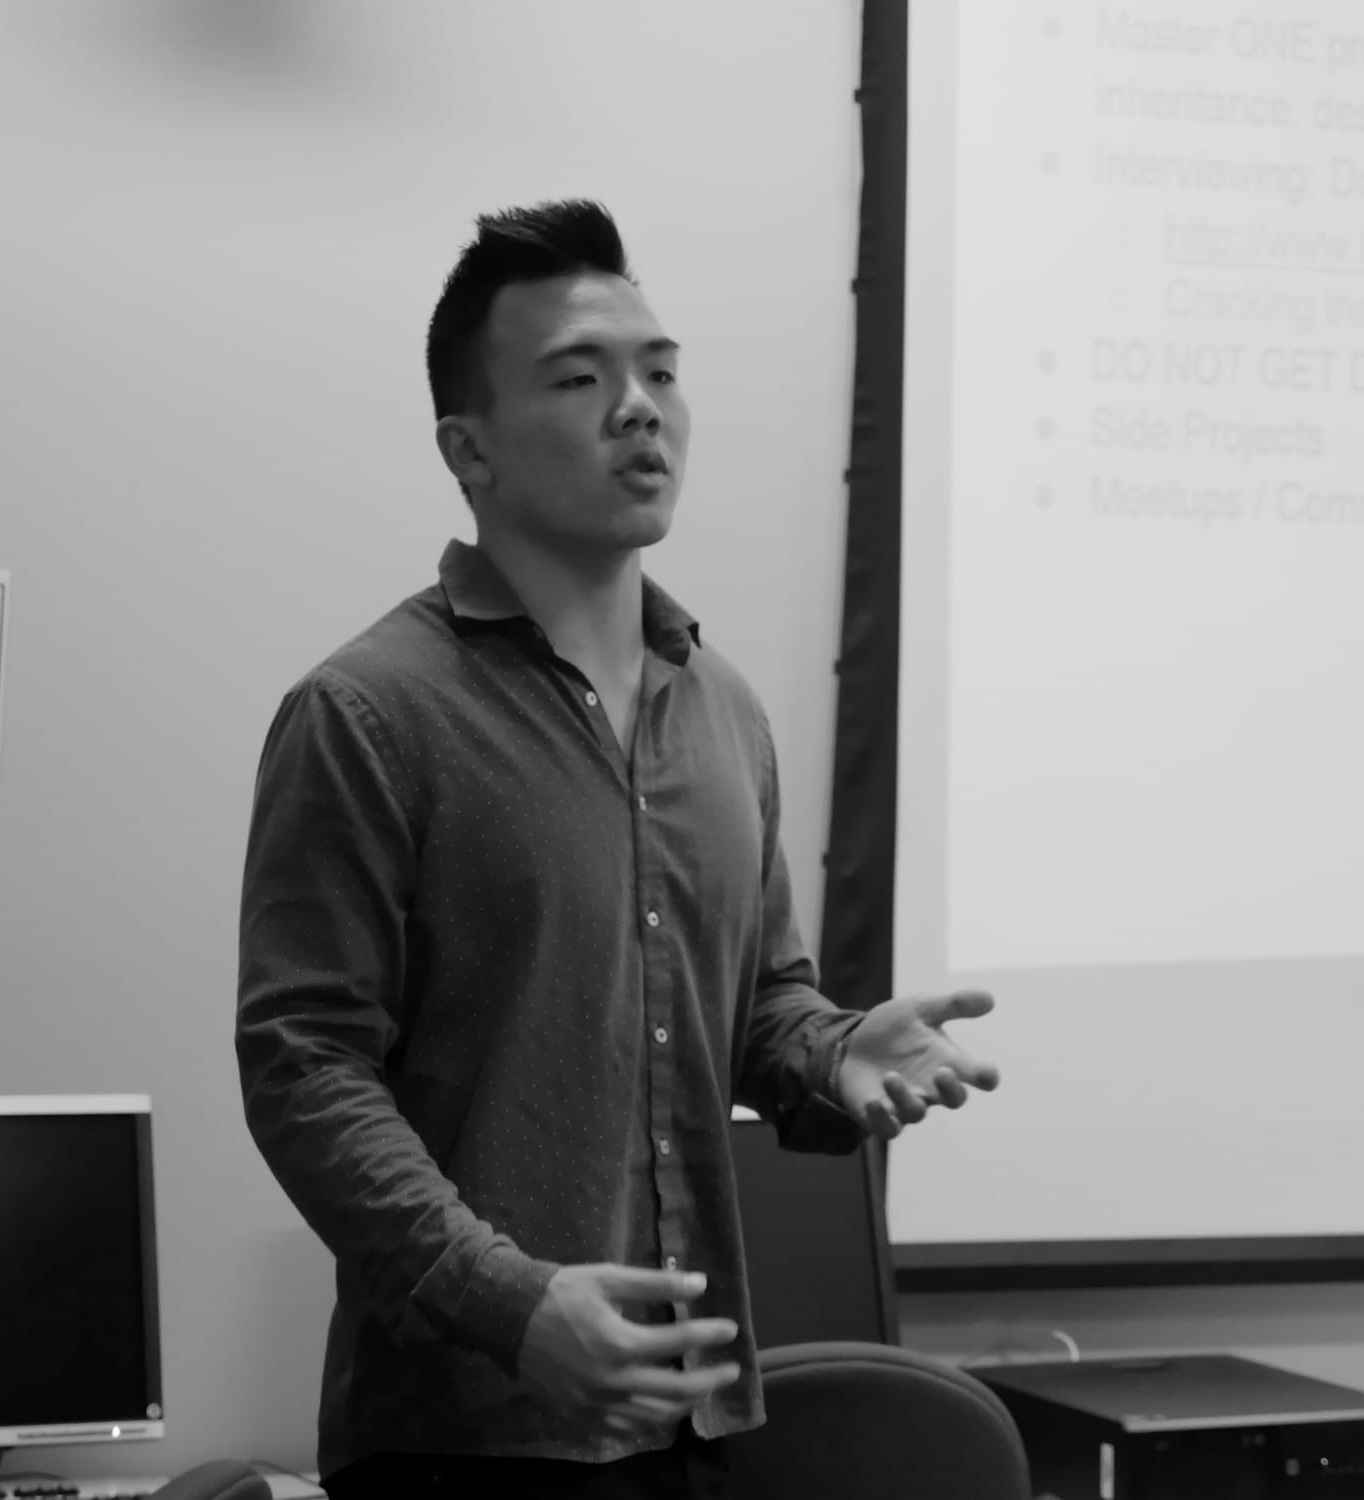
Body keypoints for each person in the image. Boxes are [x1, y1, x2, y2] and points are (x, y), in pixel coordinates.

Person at [235, 199, 1000, 1500]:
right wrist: (512, 1302)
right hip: (463, 1438)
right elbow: (305, 1069)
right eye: (580, 379)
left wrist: (831, 1052)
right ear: (467, 448)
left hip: (691, 1422)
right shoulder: (367, 714)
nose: (639, 408)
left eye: (660, 372)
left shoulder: (726, 712)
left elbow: (757, 1005)